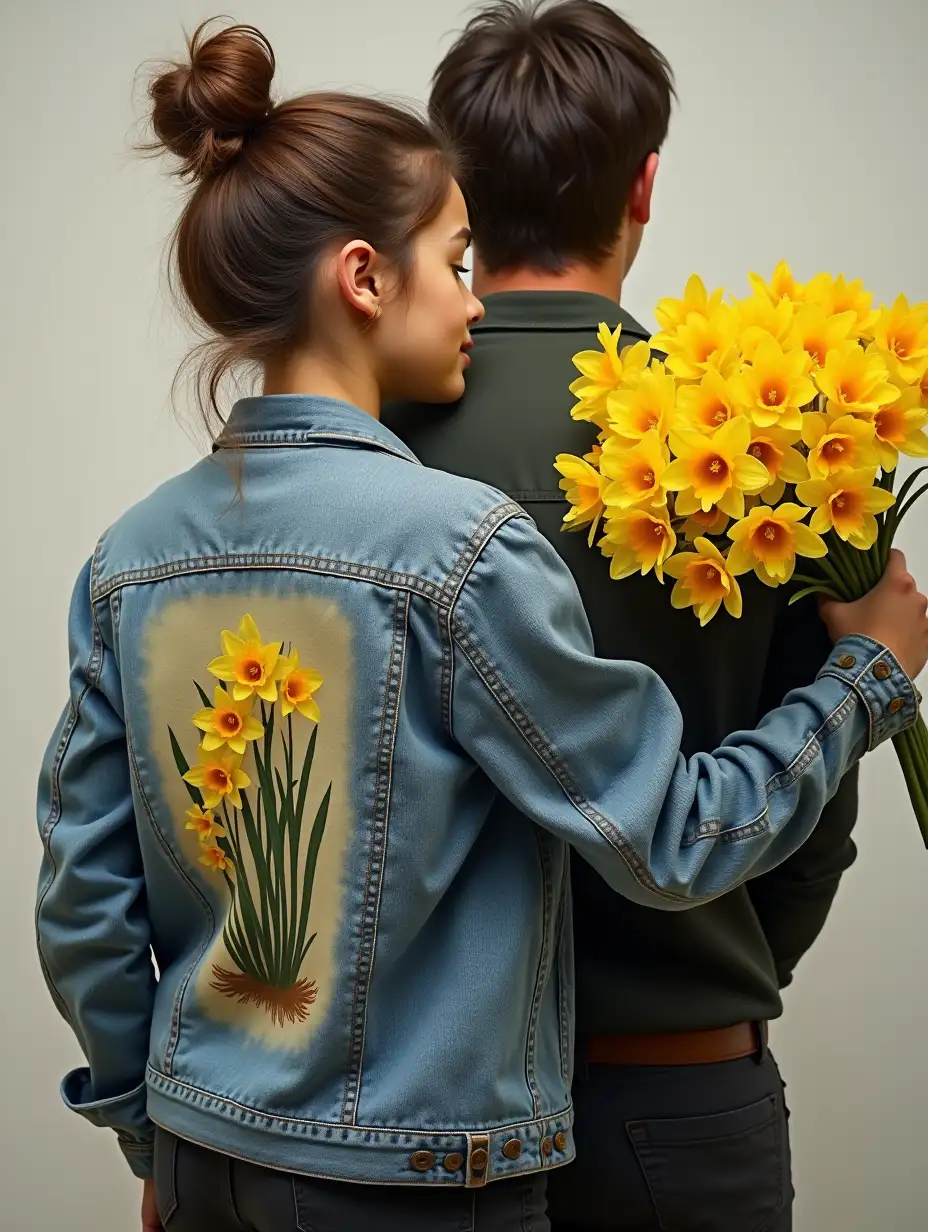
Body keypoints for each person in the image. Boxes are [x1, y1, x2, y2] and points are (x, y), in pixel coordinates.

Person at [35, 19, 925, 1232]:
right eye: (451, 265)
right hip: (443, 1158)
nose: (469, 301)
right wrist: (870, 674)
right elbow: (678, 833)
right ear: (363, 275)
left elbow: (85, 895)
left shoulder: (126, 556)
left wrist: (149, 1123)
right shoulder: (470, 539)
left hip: (210, 1150)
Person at [383, 3, 889, 1229]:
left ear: (457, 186)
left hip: (419, 1112)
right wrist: (711, 967)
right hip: (681, 1088)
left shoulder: (372, 435)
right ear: (646, 184)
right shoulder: (772, 442)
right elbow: (813, 813)